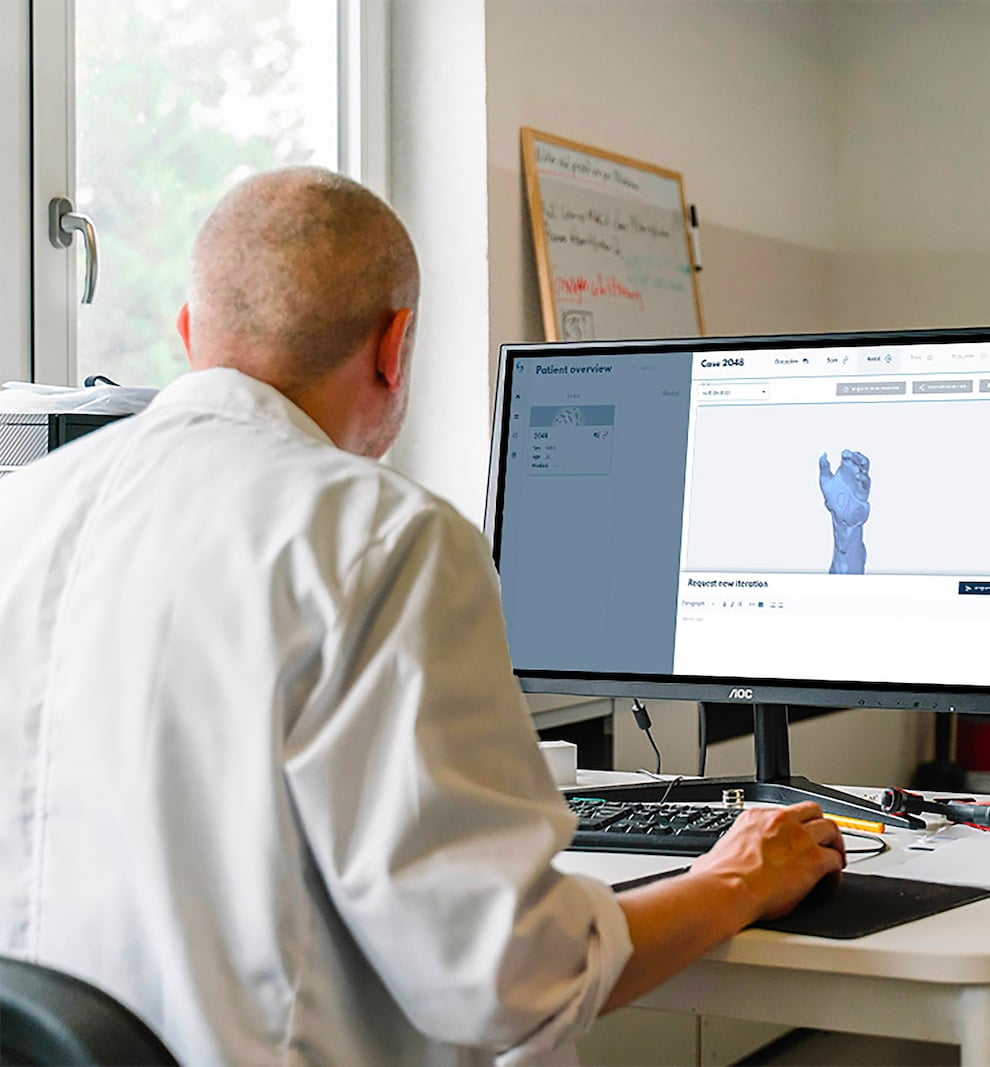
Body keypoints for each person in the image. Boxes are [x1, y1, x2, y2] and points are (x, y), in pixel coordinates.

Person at [0, 167, 845, 1066]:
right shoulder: (383, 536)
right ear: (393, 346)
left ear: (188, 334)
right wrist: (734, 879)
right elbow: (509, 980)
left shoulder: (23, 509)